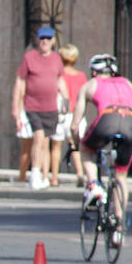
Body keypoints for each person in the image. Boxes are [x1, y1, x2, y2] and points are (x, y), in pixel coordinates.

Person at [71, 53, 132, 243]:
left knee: (86, 148)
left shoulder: (90, 85)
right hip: (130, 124)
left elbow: (75, 124)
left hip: (107, 120)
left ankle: (94, 185)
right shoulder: (129, 84)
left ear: (94, 71)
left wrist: (75, 143)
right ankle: (119, 227)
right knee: (121, 176)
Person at [12, 26, 69, 190]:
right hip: (32, 105)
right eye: (42, 38)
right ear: (38, 40)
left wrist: (66, 100)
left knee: (45, 142)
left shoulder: (56, 58)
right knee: (38, 137)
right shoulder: (29, 57)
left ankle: (45, 176)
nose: (45, 41)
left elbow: (60, 80)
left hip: (50, 107)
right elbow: (20, 82)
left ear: (53, 41)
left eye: (48, 38)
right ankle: (35, 174)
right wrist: (16, 108)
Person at [49, 44, 88, 187]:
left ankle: (54, 177)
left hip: (61, 114)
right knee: (75, 145)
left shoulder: (58, 75)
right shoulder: (81, 76)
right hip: (76, 114)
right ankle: (80, 173)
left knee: (56, 145)